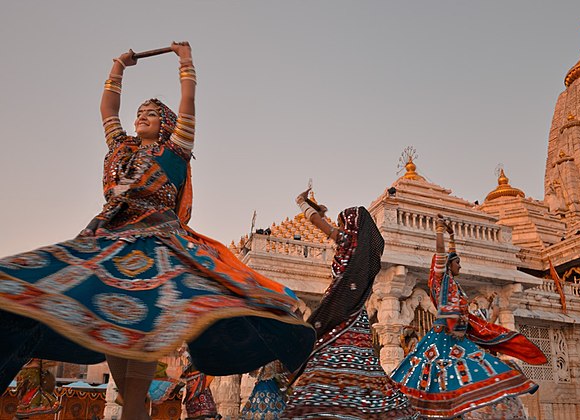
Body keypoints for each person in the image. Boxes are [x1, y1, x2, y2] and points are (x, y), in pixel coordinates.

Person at [0, 43, 315, 420]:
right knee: (108, 327)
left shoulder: (175, 151)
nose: (141, 118)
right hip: (110, 239)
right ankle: (135, 406)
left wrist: (185, 62)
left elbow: (188, 104)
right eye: (139, 114)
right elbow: (107, 109)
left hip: (160, 245)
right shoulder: (121, 148)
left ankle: (136, 406)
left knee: (147, 330)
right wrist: (118, 67)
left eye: (150, 114)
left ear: (165, 124)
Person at [391, 215, 547, 419]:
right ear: (448, 266)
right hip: (444, 335)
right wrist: (439, 231)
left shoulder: (455, 286)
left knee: (481, 368)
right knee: (440, 375)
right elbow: (440, 254)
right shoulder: (440, 282)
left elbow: (450, 256)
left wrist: (452, 235)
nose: (460, 267)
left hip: (459, 336)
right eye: (458, 263)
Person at [280, 190, 416, 419]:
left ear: (351, 227)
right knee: (360, 362)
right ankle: (360, 406)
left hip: (340, 312)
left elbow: (315, 222)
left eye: (344, 224)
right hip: (355, 314)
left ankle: (328, 405)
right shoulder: (360, 253)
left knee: (327, 356)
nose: (341, 228)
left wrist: (302, 203)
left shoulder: (345, 242)